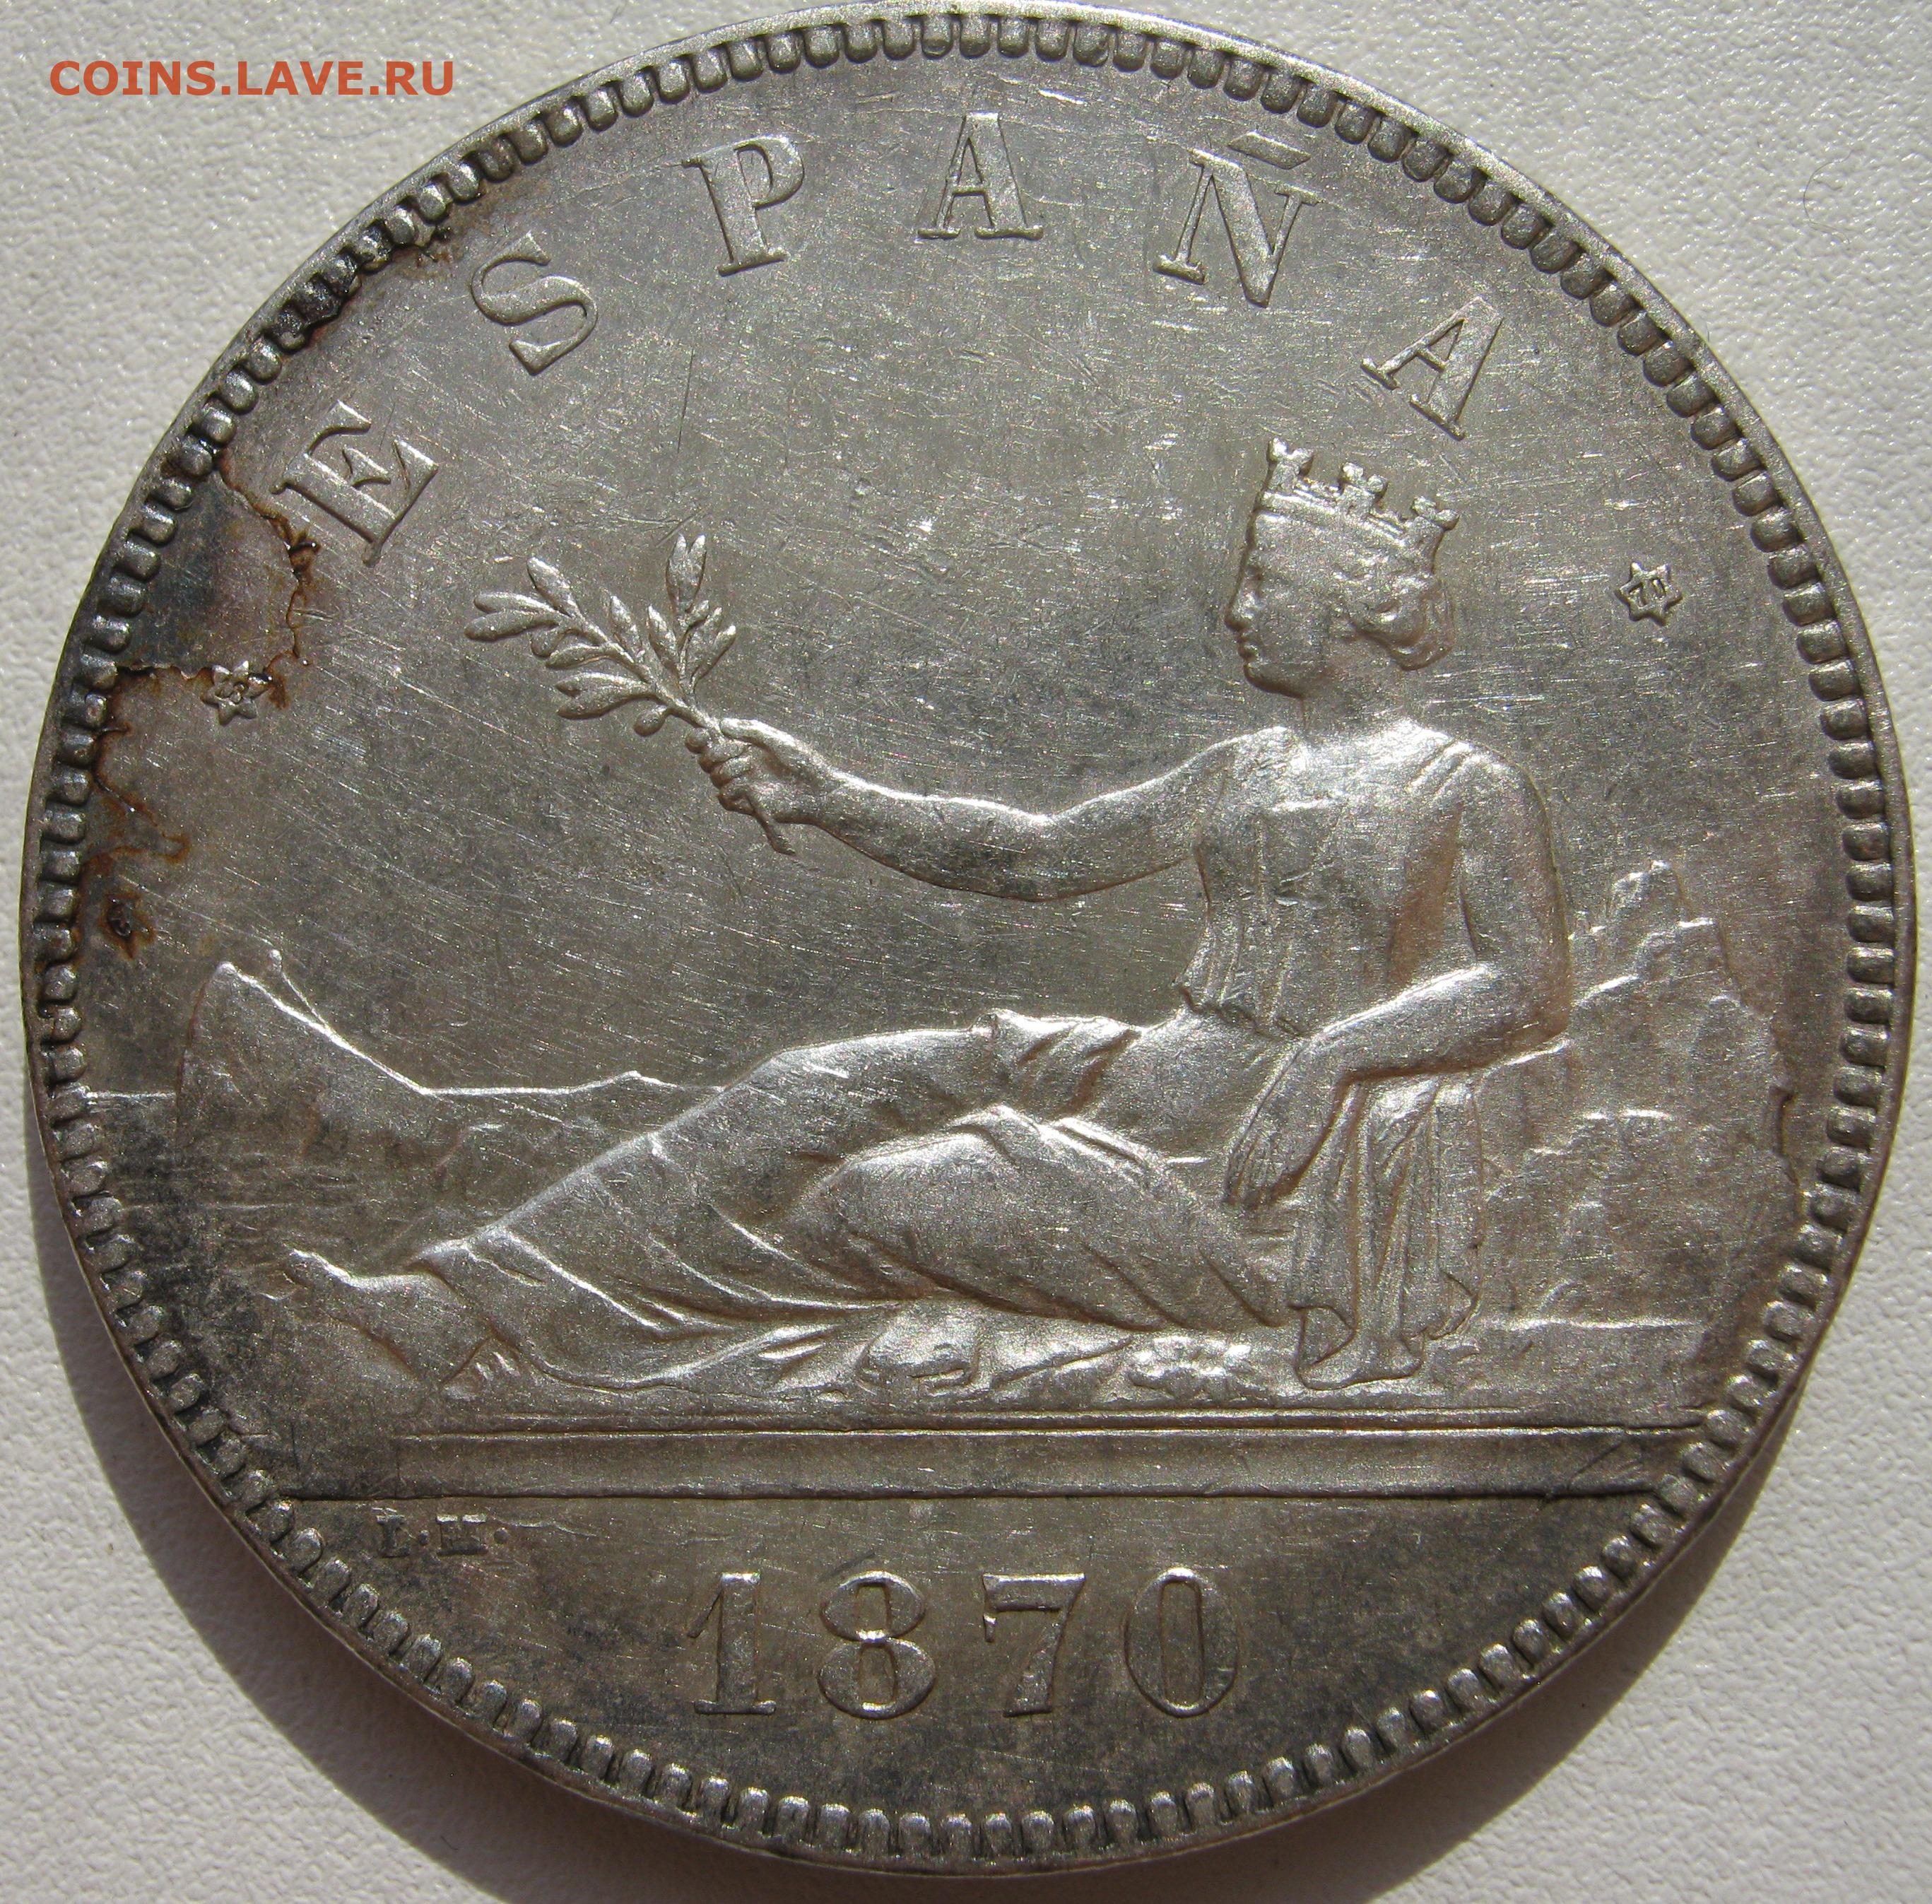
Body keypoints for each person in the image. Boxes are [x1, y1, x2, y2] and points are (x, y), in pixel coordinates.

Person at [302, 442, 1570, 1392]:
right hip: (1132, 1072)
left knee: (860, 1204)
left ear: (1350, 609)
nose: (1238, 611)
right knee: (805, 1085)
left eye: (1263, 585)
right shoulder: (1242, 769)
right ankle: (460, 1300)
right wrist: (833, 797)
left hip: (1241, 1167)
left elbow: (1527, 986)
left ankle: (585, 1349)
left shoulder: (1465, 786)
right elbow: (1037, 855)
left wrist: (1331, 1055)